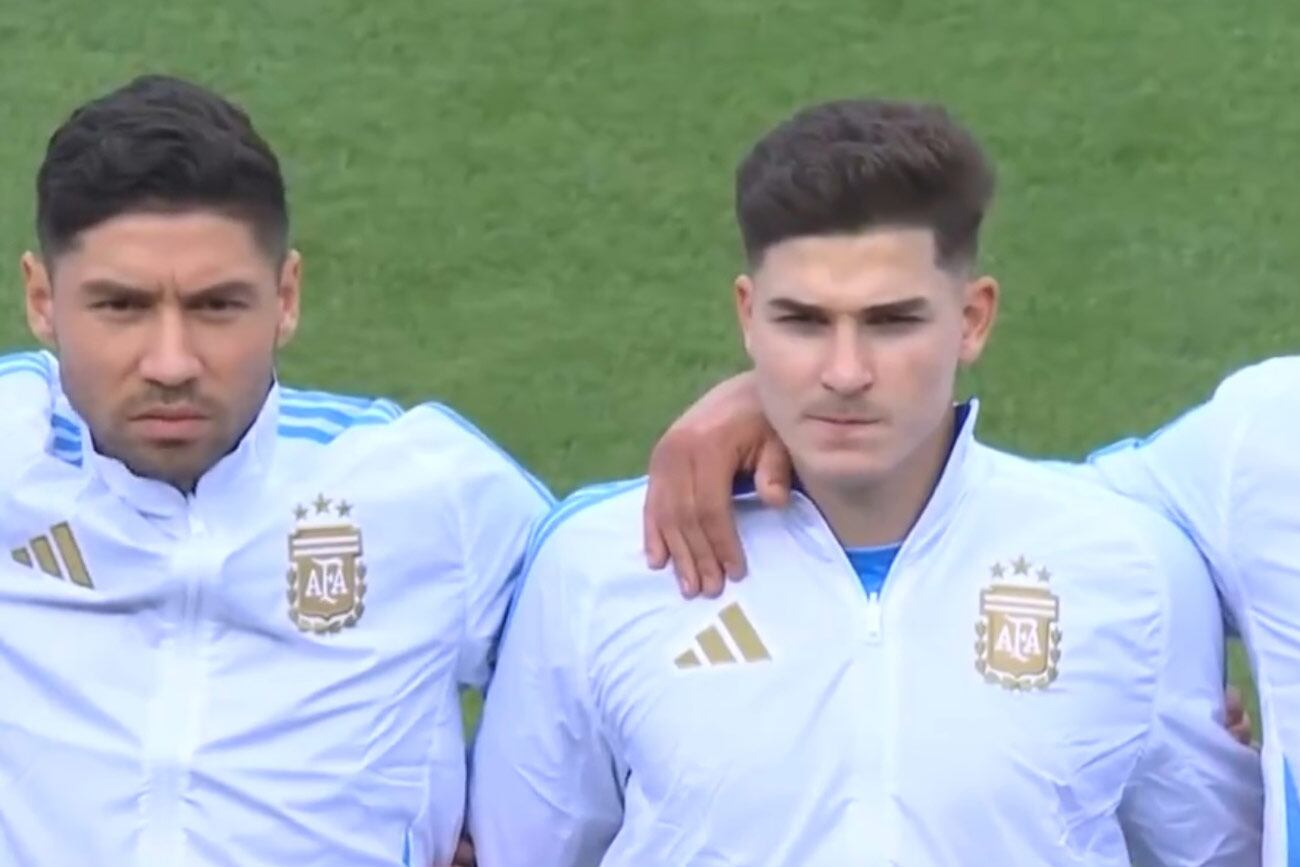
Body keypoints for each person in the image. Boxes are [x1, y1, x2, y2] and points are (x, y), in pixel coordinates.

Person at [469, 97, 1263, 865]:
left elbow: (1208, 852)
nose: (845, 372)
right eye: (803, 321)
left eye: (891, 321)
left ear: (973, 318)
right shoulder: (598, 567)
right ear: (748, 316)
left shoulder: (1131, 567)